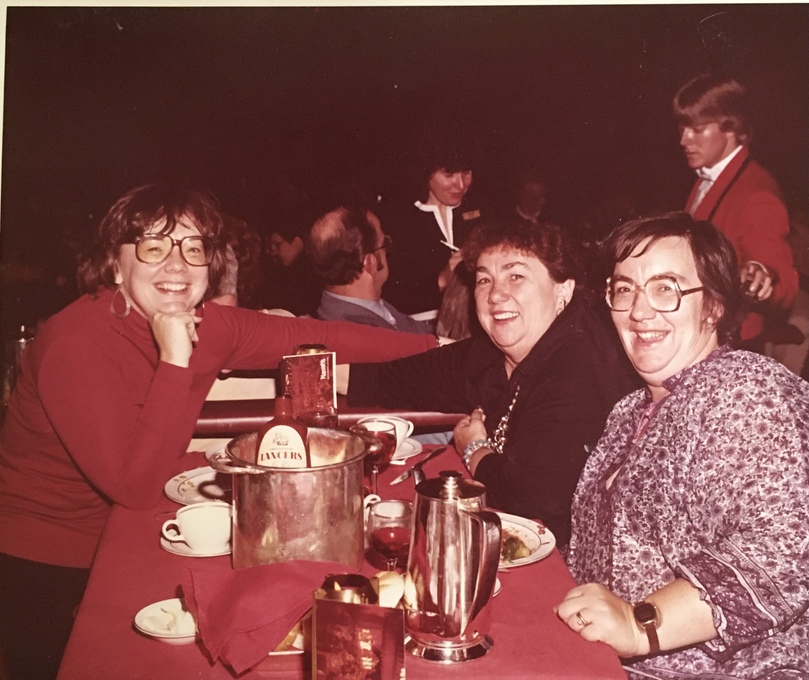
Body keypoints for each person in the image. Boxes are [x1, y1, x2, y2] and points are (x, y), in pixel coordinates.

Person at [0, 184, 439, 680]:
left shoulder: (210, 324)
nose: (177, 265)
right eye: (153, 247)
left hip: (129, 536)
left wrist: (438, 345)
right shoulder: (77, 342)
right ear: (115, 266)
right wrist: (175, 358)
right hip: (49, 565)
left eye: (193, 248)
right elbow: (134, 486)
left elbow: (318, 335)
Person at [558, 212, 809, 677]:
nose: (639, 310)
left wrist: (641, 625)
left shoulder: (741, 388)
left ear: (713, 306)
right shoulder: (628, 412)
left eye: (665, 288)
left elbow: (788, 550)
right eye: (625, 289)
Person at [343, 220, 637, 547]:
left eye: (516, 276)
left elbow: (534, 496)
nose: (496, 294)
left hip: (572, 558)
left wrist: (474, 450)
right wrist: (319, 377)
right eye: (485, 280)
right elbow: (399, 379)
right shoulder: (494, 355)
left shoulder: (578, 363)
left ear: (562, 291)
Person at [674, 73, 798, 349]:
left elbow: (785, 285)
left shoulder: (757, 194)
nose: (684, 140)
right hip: (703, 334)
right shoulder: (709, 174)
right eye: (682, 128)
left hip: (733, 344)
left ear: (731, 127)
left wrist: (761, 275)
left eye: (696, 129)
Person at [382, 134, 483, 318]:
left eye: (466, 173)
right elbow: (390, 295)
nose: (461, 184)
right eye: (449, 175)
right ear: (426, 173)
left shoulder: (481, 212)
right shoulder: (398, 221)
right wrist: (442, 280)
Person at [307, 206, 434, 334]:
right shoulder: (358, 331)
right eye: (385, 244)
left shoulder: (365, 306)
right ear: (370, 263)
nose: (387, 252)